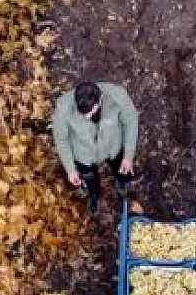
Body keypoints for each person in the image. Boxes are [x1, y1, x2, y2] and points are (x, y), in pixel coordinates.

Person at [52, 81, 139, 214]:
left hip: (113, 146)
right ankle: (94, 194)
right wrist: (70, 169)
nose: (86, 117)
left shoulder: (117, 97)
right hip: (83, 153)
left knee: (122, 167)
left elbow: (131, 121)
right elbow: (61, 139)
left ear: (100, 100)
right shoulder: (63, 108)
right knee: (89, 178)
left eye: (90, 112)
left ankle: (122, 180)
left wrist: (128, 155)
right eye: (82, 113)